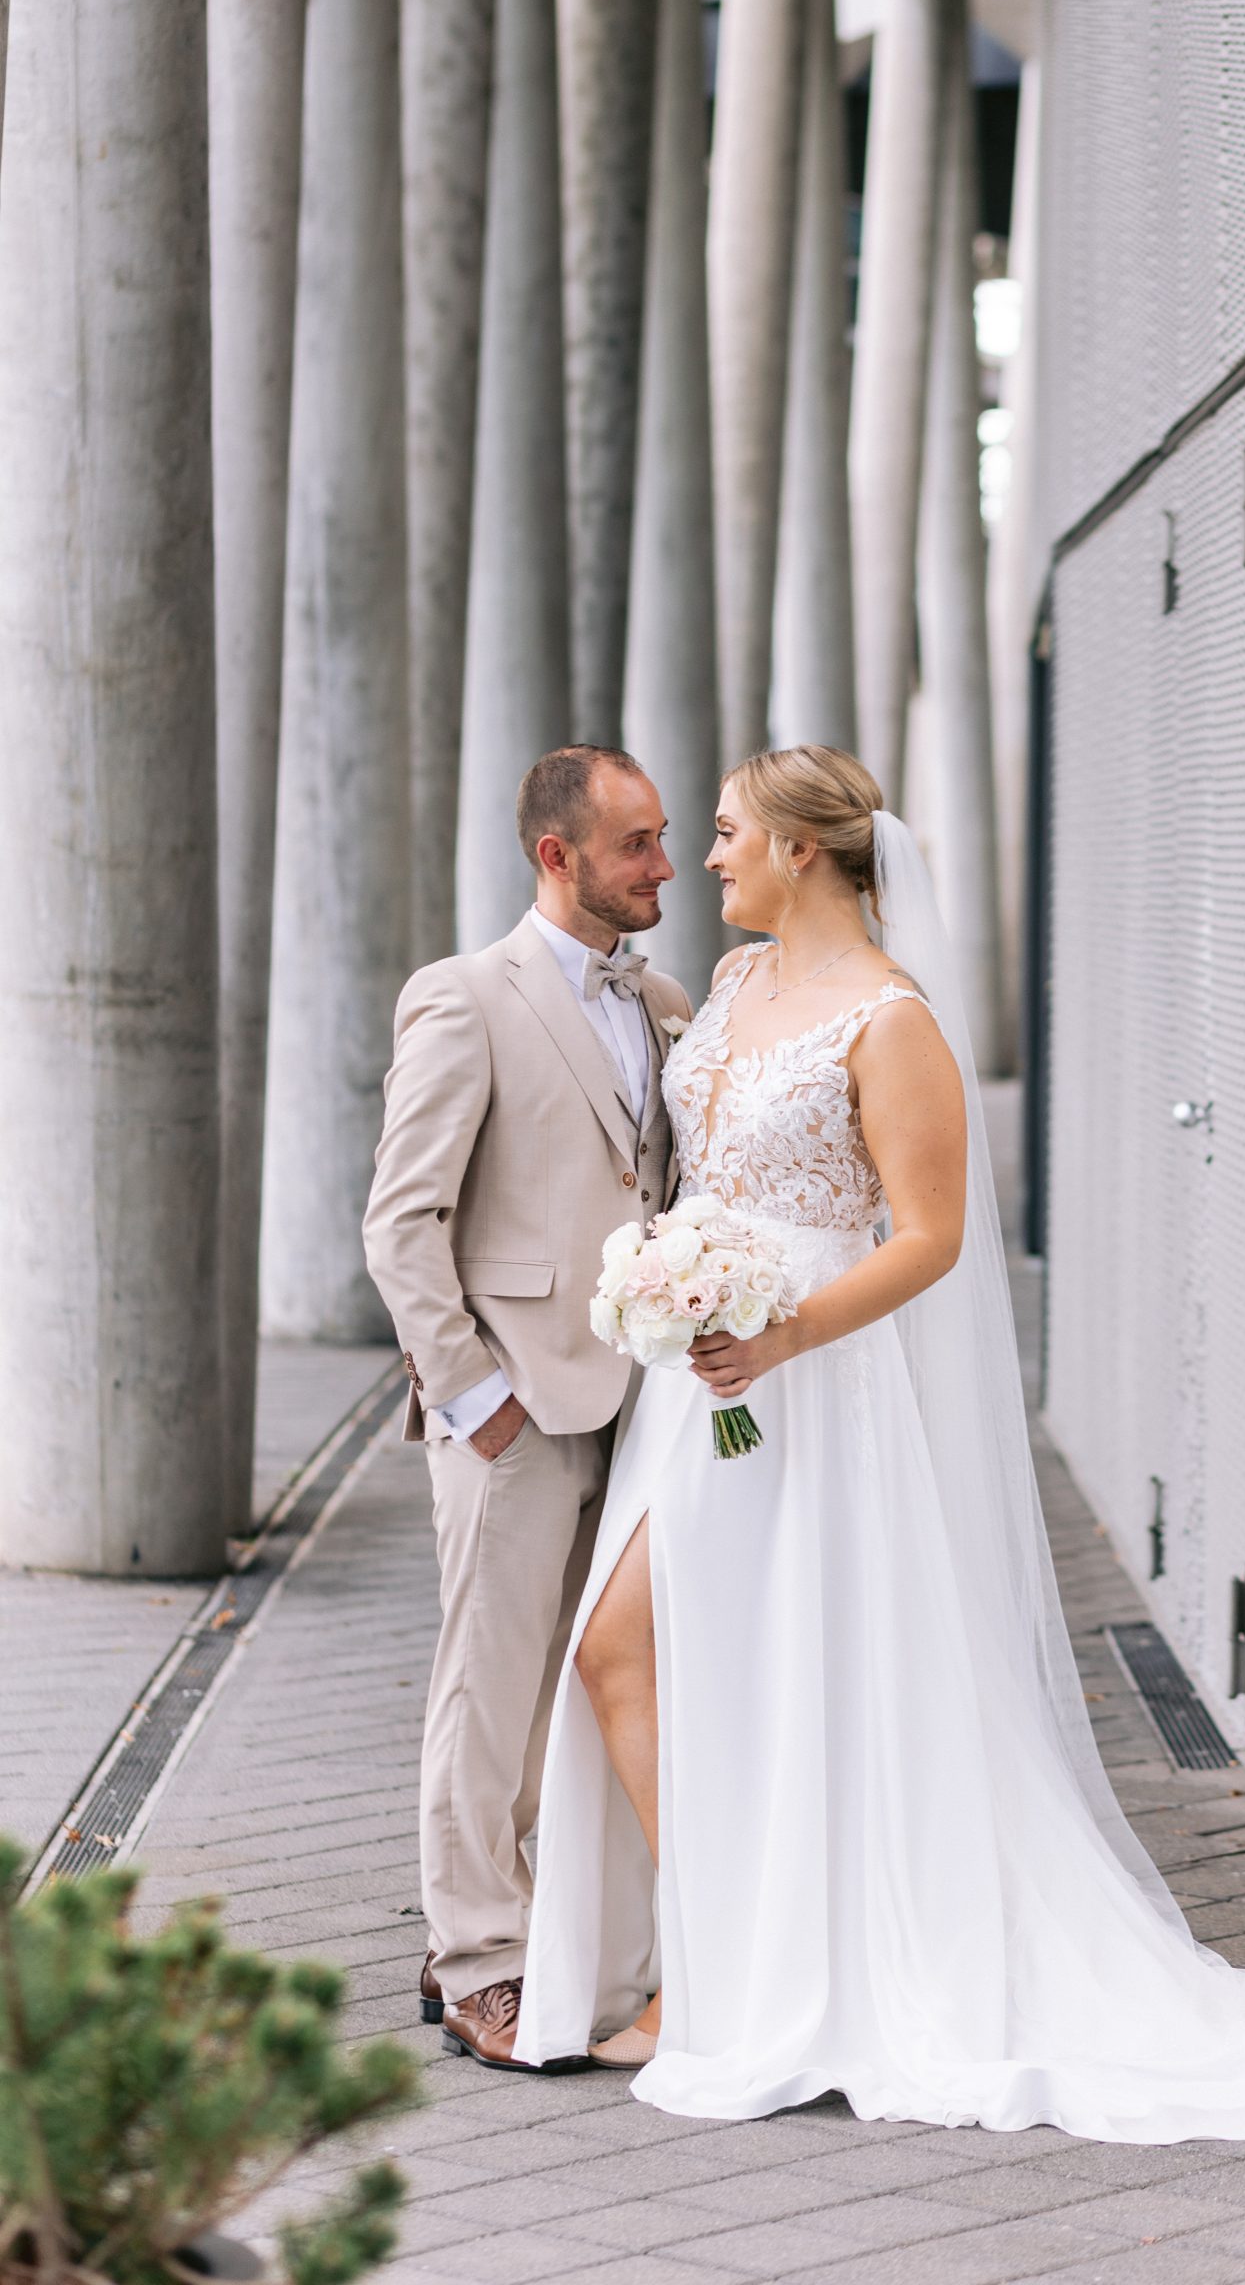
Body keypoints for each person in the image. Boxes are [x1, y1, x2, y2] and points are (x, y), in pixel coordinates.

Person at [515, 744, 1245, 2138]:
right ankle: (728, 1960)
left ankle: (755, 1981)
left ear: (802, 849)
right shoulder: (742, 984)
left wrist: (783, 1331)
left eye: (723, 835)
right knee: (627, 1649)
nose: (706, 861)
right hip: (698, 1383)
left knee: (776, 1666)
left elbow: (931, 1238)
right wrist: (671, 1278)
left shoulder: (893, 1023)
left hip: (808, 1382)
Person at [364, 746, 690, 2072]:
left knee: (585, 1687)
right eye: (637, 845)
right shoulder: (463, 999)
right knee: (488, 1694)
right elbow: (402, 1223)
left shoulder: (661, 998)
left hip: (634, 1407)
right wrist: (474, 1397)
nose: (664, 867)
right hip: (512, 1407)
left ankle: (550, 1939)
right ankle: (477, 1964)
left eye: (669, 838)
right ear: (558, 857)